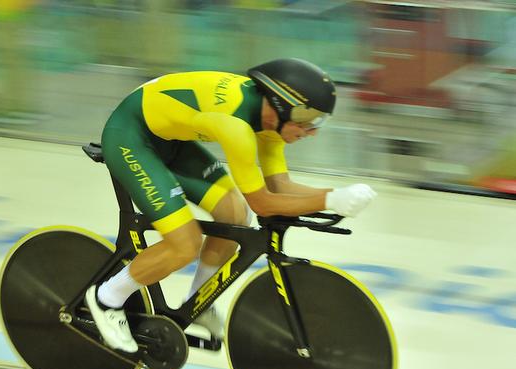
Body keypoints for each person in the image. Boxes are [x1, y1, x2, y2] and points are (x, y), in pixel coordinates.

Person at [86, 58, 377, 353]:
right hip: (130, 137)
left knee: (235, 215)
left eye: (320, 122)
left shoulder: (270, 124)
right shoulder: (236, 127)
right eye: (310, 120)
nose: (313, 131)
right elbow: (264, 203)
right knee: (184, 245)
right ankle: (106, 298)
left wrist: (336, 195)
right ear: (281, 105)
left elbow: (280, 188)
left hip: (169, 139)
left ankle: (197, 302)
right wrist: (330, 200)